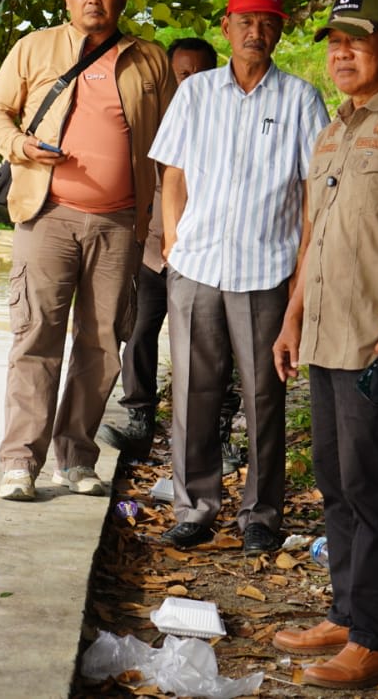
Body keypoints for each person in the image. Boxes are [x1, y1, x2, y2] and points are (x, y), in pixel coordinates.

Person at [266, 0, 378, 689]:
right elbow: (315, 234)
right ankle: (345, 610)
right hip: (324, 333)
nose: (340, 54)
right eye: (334, 43)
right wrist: (291, 315)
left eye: (355, 41)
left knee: (372, 484)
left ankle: (377, 639)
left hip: (377, 337)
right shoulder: (333, 128)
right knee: (334, 480)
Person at [0, 0, 176, 501]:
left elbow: (174, 144)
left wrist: (166, 226)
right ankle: (20, 462)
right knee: (35, 336)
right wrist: (19, 146)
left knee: (102, 343)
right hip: (47, 215)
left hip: (118, 223)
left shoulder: (149, 59)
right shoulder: (34, 48)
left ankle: (77, 459)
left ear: (122, 0)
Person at [149, 0, 327, 553]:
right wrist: (175, 242)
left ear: (280, 31)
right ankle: (195, 508)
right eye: (246, 21)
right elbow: (172, 174)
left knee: (264, 398)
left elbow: (311, 193)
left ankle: (261, 516)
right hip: (196, 268)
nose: (256, 31)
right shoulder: (196, 91)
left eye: (268, 22)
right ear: (226, 27)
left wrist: (300, 271)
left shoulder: (301, 98)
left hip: (266, 271)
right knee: (193, 393)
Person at [98, 38, 244, 471]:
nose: (190, 81)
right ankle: (140, 422)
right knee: (139, 335)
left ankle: (218, 434)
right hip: (151, 253)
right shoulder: (148, 122)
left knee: (219, 347)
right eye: (181, 73)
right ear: (167, 75)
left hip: (207, 255)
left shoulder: (227, 120)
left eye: (200, 72)